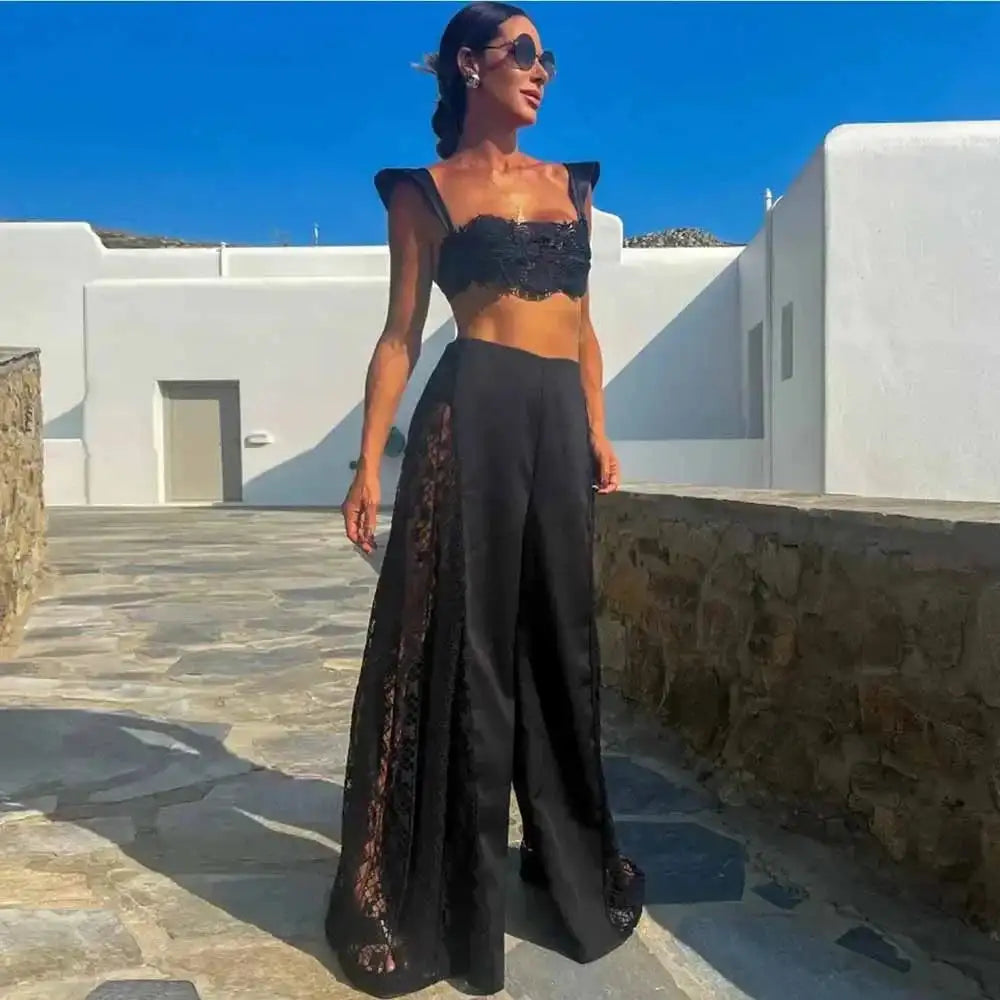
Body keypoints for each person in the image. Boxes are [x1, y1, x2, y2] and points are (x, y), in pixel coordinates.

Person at [325, 3, 644, 995]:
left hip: (556, 420)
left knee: (560, 640)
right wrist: (367, 463)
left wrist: (596, 427)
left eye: (547, 57)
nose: (540, 70)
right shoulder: (423, 193)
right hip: (470, 415)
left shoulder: (570, 186)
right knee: (458, 643)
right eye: (523, 52)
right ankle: (446, 887)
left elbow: (583, 327)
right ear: (469, 65)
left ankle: (568, 862)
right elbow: (397, 336)